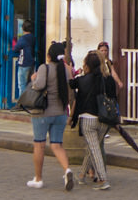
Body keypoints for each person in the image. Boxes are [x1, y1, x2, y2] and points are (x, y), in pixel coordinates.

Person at [26, 41, 73, 191]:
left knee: (39, 144)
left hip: (43, 113)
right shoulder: (66, 70)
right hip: (60, 112)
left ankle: (38, 178)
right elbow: (70, 92)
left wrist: (34, 79)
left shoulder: (44, 68)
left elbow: (39, 86)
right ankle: (67, 170)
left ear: (48, 55)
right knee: (57, 145)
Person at [70, 49, 116, 190]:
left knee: (94, 149)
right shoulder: (107, 79)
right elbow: (114, 96)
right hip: (104, 119)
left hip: (88, 119)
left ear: (87, 65)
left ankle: (103, 179)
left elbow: (71, 83)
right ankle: (82, 175)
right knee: (92, 147)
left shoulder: (83, 80)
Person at [11, 20, 34, 92]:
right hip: (31, 63)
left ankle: (22, 102)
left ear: (23, 28)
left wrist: (14, 41)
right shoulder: (33, 37)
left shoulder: (23, 38)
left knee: (22, 85)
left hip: (23, 63)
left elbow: (15, 49)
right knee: (29, 84)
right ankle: (28, 101)